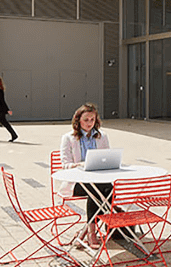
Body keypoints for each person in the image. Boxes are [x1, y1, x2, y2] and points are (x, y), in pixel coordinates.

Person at [58, 103, 113, 246]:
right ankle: (91, 233)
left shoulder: (102, 136)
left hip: (98, 179)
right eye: (86, 120)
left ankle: (86, 231)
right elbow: (65, 165)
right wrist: (80, 165)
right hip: (76, 183)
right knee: (98, 190)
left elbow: (106, 158)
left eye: (92, 120)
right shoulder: (68, 138)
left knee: (110, 190)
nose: (90, 123)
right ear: (78, 120)